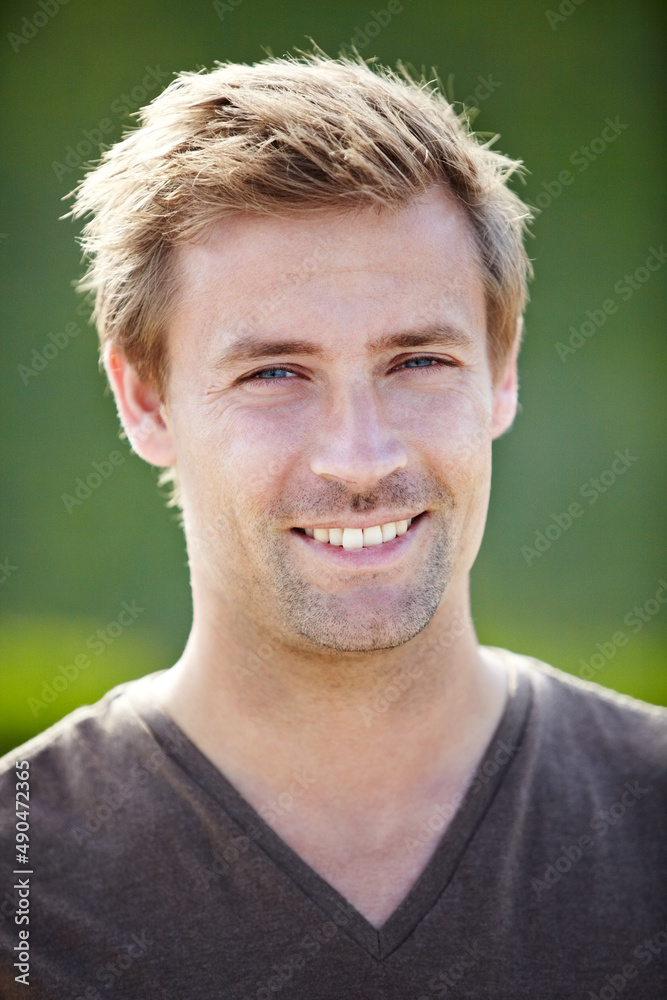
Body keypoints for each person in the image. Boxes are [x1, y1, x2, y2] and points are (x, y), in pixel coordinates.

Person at [1, 53, 665, 1000]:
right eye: (274, 373)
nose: (358, 459)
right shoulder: (19, 878)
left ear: (501, 372)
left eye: (418, 361)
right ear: (144, 401)